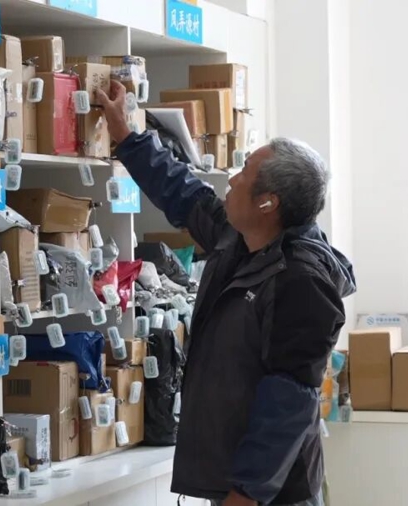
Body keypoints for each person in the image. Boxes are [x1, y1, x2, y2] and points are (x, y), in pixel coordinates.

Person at [95, 81, 355, 506]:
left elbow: (288, 400)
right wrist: (126, 135)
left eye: (244, 173)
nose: (231, 180)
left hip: (272, 496)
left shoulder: (302, 281)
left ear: (268, 203)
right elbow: (184, 194)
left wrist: (247, 493)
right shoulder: (239, 238)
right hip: (233, 482)